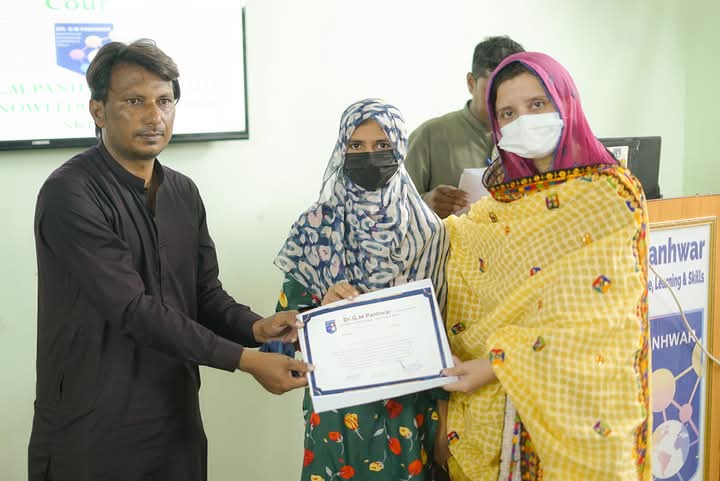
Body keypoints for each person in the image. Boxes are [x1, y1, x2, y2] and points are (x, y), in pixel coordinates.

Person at [28, 39, 310, 481]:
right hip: (93, 425)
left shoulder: (183, 192)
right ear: (98, 111)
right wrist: (248, 360)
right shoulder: (70, 193)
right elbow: (133, 309)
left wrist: (258, 328)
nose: (153, 116)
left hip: (176, 420)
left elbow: (204, 295)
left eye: (164, 101)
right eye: (134, 101)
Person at [440, 52, 651, 481]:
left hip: (584, 400)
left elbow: (601, 317)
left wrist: (498, 363)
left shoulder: (609, 193)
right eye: (508, 113)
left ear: (565, 103)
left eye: (537, 105)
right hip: (506, 413)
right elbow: (454, 250)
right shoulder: (499, 208)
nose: (524, 120)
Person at [271, 99, 450, 481]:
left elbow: (448, 332)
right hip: (337, 416)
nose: (369, 155)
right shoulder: (315, 227)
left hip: (410, 411)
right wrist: (321, 311)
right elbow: (281, 335)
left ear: (400, 148)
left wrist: (447, 422)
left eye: (382, 145)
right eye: (356, 145)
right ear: (341, 149)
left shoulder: (428, 231)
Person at [404, 36, 525, 219]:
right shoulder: (428, 136)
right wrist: (425, 204)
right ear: (471, 83)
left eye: (514, 92)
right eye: (493, 91)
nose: (504, 102)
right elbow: (394, 209)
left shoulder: (532, 138)